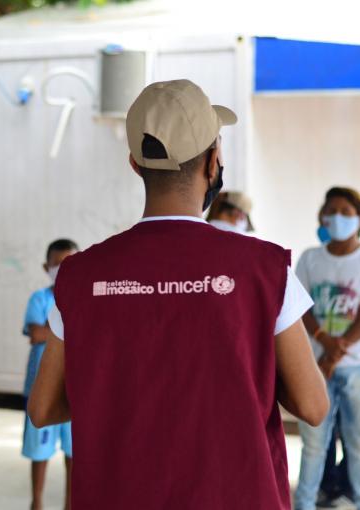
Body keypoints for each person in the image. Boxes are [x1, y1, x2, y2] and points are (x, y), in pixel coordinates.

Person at [28, 79, 329, 509]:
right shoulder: (264, 269)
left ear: (135, 164)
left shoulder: (79, 276)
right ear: (213, 163)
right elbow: (313, 406)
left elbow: (43, 409)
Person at [294, 187, 360, 510]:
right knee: (314, 444)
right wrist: (324, 341)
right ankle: (304, 504)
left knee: (358, 442)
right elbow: (300, 305)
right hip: (314, 366)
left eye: (346, 212)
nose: (337, 217)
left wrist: (338, 350)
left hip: (355, 367)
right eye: (331, 210)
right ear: (322, 217)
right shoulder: (310, 258)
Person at [22, 239, 77, 510]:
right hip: (42, 386)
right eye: (58, 263)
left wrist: (52, 329)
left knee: (74, 455)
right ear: (47, 266)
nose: (64, 268)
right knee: (40, 453)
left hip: (73, 392)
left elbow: (46, 332)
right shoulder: (40, 298)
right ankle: (37, 503)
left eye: (71, 260)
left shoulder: (83, 296)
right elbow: (36, 334)